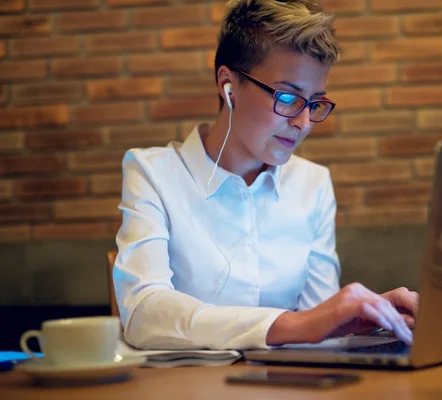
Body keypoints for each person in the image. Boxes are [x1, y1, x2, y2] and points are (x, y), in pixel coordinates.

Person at [113, 0, 418, 351]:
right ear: (228, 86)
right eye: (288, 97)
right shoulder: (153, 173)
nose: (303, 123)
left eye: (315, 102)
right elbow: (143, 313)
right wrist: (296, 324)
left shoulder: (312, 184)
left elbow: (318, 332)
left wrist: (370, 322)